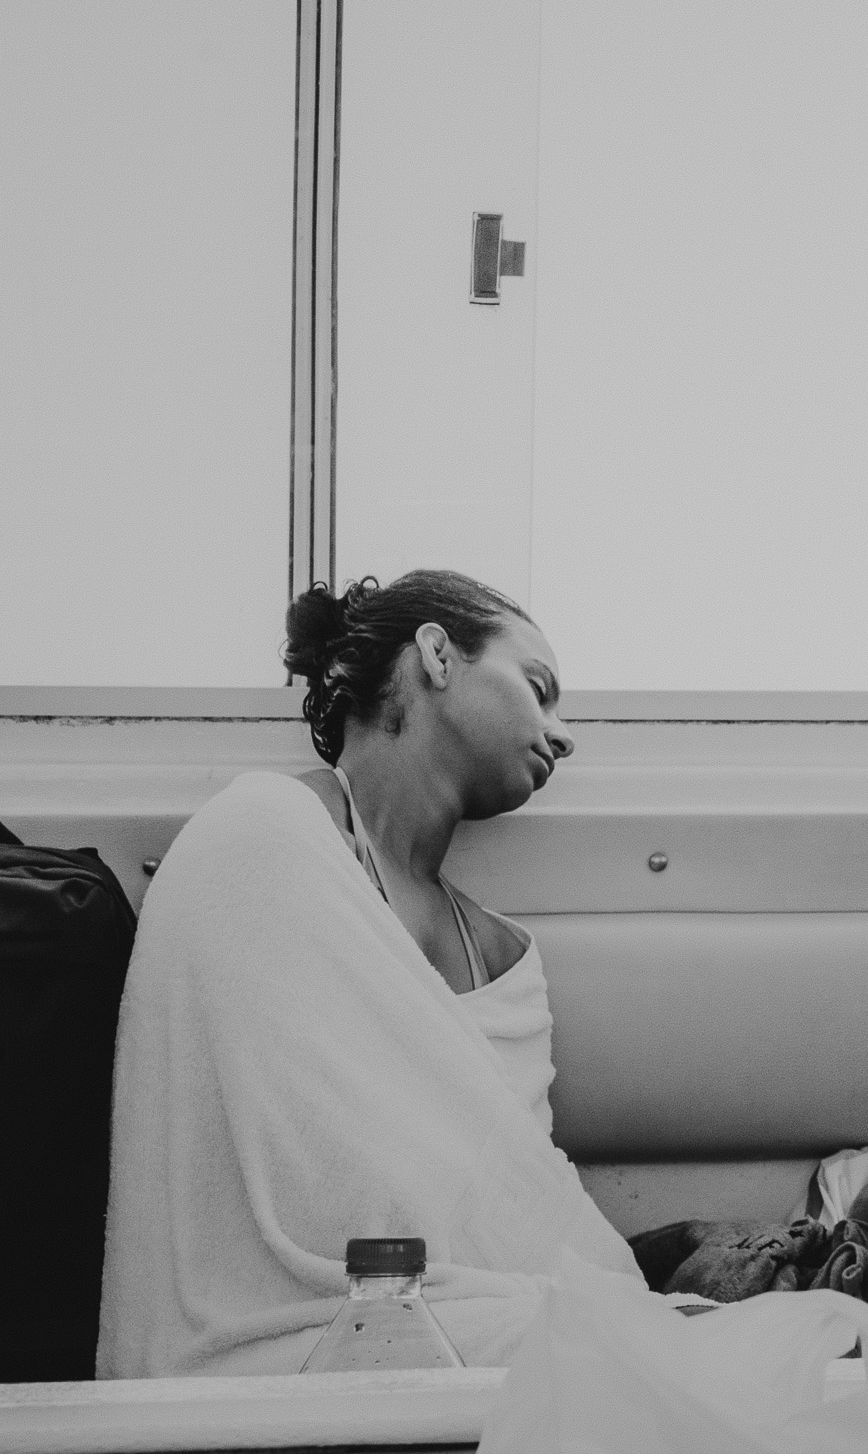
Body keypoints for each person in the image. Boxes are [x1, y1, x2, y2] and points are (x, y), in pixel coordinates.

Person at [99, 571, 646, 1377]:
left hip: (471, 1317)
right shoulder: (263, 835)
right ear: (437, 653)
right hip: (286, 1335)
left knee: (658, 1340)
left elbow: (520, 1213)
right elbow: (313, 1168)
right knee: (632, 1348)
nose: (561, 735)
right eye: (539, 689)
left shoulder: (502, 957)